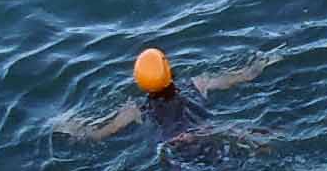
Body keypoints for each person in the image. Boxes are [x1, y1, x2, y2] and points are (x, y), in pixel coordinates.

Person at [51, 46, 281, 148]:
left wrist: (70, 127)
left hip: (173, 146)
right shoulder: (198, 84)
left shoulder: (135, 110)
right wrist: (264, 62)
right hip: (207, 133)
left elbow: (97, 134)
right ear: (168, 69)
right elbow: (244, 76)